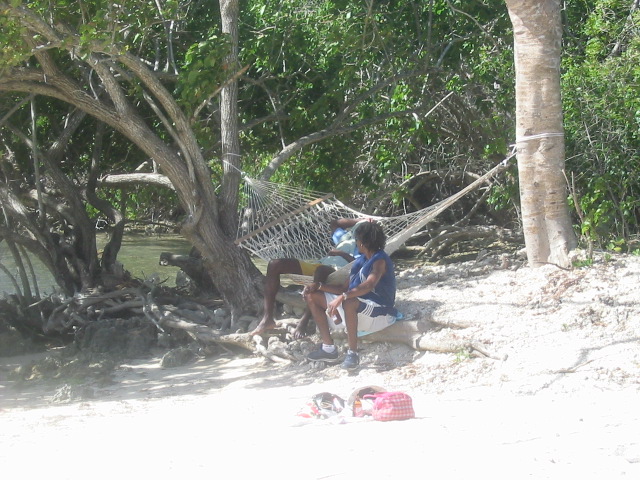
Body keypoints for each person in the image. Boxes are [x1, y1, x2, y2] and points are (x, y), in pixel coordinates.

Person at [304, 220, 397, 370]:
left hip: (380, 312)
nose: (356, 243)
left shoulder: (380, 260)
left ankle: (353, 354)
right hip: (357, 309)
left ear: (362, 243)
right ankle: (328, 349)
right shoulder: (360, 261)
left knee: (349, 301)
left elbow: (369, 285)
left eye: (357, 240)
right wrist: (318, 286)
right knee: (312, 295)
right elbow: (343, 288)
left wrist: (343, 297)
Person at [250, 218, 365, 338]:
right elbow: (334, 223)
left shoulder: (365, 245)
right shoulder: (343, 237)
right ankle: (267, 318)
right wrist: (361, 219)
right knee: (275, 264)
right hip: (318, 265)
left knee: (320, 270)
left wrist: (342, 254)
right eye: (358, 228)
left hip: (339, 272)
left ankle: (303, 321)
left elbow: (362, 264)